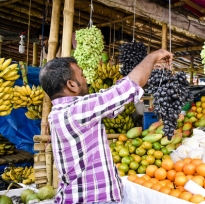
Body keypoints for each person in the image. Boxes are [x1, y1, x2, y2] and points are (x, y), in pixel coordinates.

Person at [39, 49, 173, 204]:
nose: (86, 79)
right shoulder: (75, 111)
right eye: (82, 75)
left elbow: (115, 100)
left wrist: (148, 70)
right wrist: (153, 56)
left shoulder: (60, 112)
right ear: (71, 85)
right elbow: (124, 90)